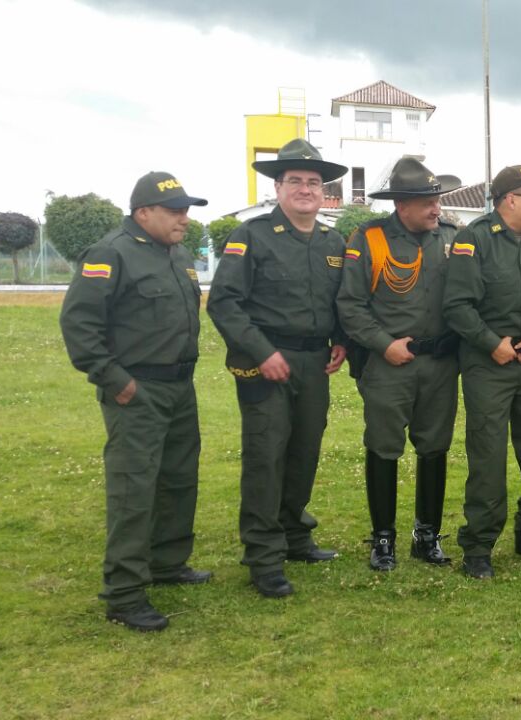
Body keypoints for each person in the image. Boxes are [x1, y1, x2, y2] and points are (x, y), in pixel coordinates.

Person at [59, 171, 210, 631]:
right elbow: (79, 323)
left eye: (187, 210)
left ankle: (167, 563)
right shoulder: (111, 254)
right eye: (175, 211)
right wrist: (114, 379)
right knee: (134, 488)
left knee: (179, 479)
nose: (184, 218)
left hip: (179, 386)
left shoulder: (177, 254)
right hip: (136, 389)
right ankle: (123, 593)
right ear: (143, 212)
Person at [207, 139, 349, 598]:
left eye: (314, 182)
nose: (307, 189)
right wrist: (261, 351)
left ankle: (293, 534)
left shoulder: (333, 240)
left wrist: (342, 340)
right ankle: (263, 556)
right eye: (296, 181)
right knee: (266, 456)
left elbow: (342, 302)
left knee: (304, 451)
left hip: (313, 362)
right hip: (264, 361)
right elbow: (225, 303)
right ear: (277, 187)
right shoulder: (251, 235)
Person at [443, 164, 521, 579]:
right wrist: (490, 343)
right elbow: (457, 305)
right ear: (509, 200)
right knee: (488, 458)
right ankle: (479, 546)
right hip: (489, 366)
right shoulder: (474, 238)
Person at [335, 156, 462, 571]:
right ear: (401, 205)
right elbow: (350, 306)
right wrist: (383, 345)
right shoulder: (369, 239)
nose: (436, 208)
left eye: (437, 199)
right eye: (426, 202)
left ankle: (426, 536)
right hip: (389, 364)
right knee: (384, 446)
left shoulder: (450, 237)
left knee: (435, 447)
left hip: (440, 364)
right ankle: (383, 538)